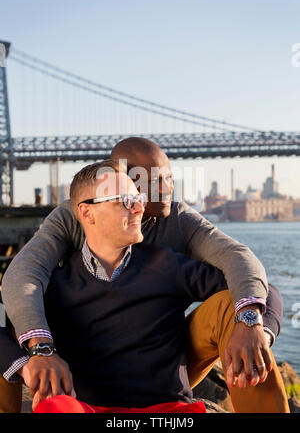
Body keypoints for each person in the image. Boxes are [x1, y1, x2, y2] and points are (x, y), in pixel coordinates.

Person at [0, 138, 287, 412]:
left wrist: (252, 324)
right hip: (85, 358)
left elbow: (243, 264)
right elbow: (23, 276)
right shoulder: (74, 216)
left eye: (169, 178)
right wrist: (40, 351)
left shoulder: (177, 223)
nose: (166, 189)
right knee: (15, 312)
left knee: (238, 304)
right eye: (152, 182)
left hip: (164, 364)